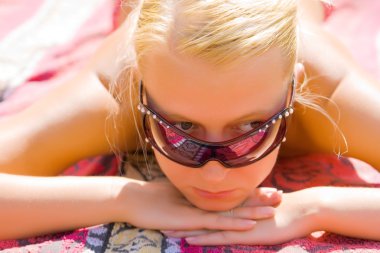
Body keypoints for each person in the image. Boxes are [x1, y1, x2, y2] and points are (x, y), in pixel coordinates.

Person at [0, 0, 379, 245]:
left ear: (293, 88)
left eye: (250, 129)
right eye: (181, 129)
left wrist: (317, 208)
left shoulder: (330, 94)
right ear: (140, 89)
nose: (214, 174)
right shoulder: (115, 93)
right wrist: (125, 198)